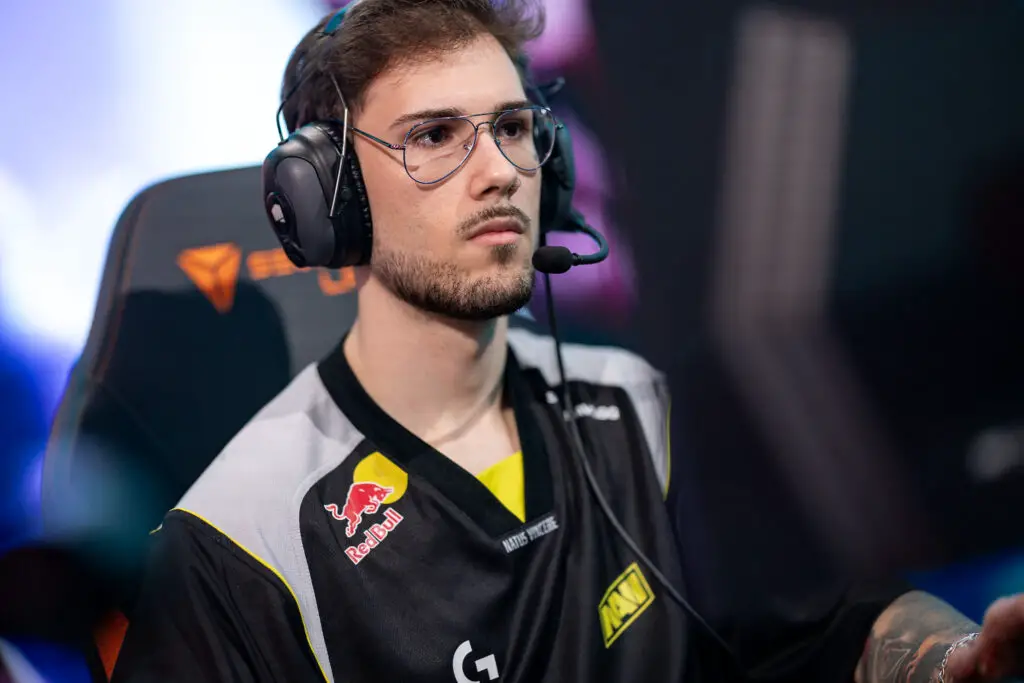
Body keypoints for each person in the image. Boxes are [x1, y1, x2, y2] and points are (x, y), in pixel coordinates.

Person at [111, 1, 1024, 682]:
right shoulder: (238, 545)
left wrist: (953, 658)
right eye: (436, 136)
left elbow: (820, 628)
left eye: (513, 129)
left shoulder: (638, 405)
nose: (499, 172)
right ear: (330, 201)